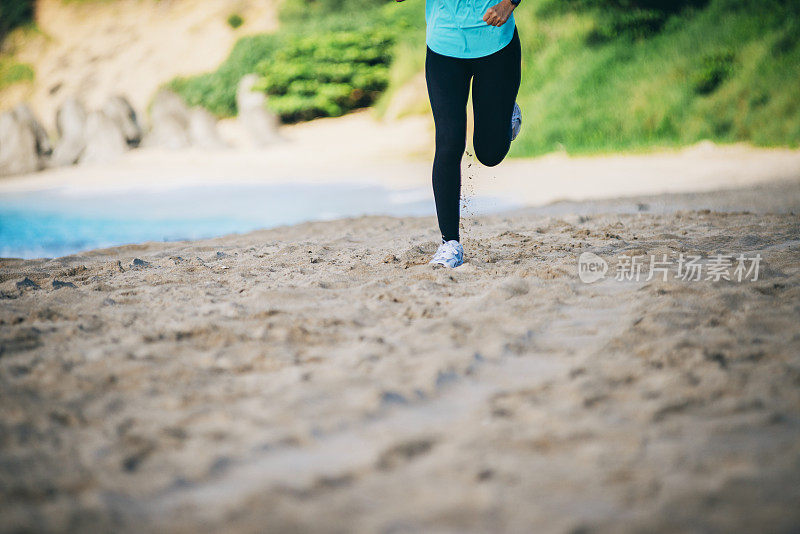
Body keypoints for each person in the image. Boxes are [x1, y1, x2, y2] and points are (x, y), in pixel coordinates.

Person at [400, 0, 523, 268]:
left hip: (495, 43)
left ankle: (504, 112)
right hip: (444, 45)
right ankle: (450, 243)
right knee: (448, 140)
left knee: (490, 154)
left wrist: (510, 3)